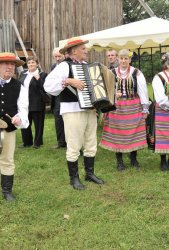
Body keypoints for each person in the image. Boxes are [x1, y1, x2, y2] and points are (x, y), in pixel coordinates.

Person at [44, 36, 104, 190]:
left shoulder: (87, 66)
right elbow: (48, 85)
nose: (86, 51)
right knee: (74, 144)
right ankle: (74, 179)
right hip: (72, 110)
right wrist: (69, 81)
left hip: (90, 110)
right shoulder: (65, 66)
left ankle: (89, 174)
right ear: (74, 51)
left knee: (91, 142)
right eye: (83, 49)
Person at [100, 49, 150, 171]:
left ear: (129, 59)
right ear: (118, 59)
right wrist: (111, 97)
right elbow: (104, 90)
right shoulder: (111, 72)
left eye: (126, 58)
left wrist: (145, 109)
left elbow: (143, 91)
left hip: (133, 106)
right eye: (121, 58)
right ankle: (119, 160)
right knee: (117, 134)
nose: (123, 61)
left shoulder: (136, 73)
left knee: (133, 133)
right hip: (116, 107)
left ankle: (133, 158)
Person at [0, 52, 29, 201]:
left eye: (12, 64)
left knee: (7, 159)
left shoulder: (19, 86)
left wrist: (19, 118)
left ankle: (7, 191)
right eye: (6, 63)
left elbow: (23, 108)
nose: (10, 67)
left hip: (8, 130)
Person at [19, 56, 47, 149]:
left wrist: (38, 78)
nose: (31, 64)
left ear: (37, 64)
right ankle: (27, 142)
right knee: (25, 123)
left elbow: (44, 88)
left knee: (38, 124)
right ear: (27, 64)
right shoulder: (23, 73)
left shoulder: (42, 74)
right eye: (29, 63)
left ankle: (37, 143)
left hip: (37, 103)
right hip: (24, 103)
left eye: (33, 62)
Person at [50, 48, 66, 149]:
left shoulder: (67, 66)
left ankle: (69, 142)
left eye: (59, 56)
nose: (57, 58)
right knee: (58, 120)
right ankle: (60, 142)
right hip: (56, 98)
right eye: (55, 57)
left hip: (66, 97)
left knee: (68, 120)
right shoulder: (53, 67)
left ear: (63, 56)